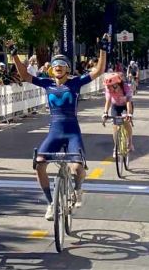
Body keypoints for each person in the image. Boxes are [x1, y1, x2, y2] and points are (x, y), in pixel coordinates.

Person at [6, 33, 110, 221]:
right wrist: (14, 54)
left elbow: (99, 70)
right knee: (38, 164)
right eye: (55, 66)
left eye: (62, 66)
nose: (58, 68)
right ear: (51, 70)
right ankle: (51, 203)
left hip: (72, 132)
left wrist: (103, 49)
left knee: (77, 168)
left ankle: (78, 189)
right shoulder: (46, 84)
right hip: (54, 132)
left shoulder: (76, 83)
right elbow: (24, 75)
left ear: (68, 69)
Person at [102, 72, 134, 156]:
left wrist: (129, 114)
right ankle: (115, 147)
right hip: (115, 106)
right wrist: (105, 113)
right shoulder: (108, 90)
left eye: (109, 86)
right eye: (107, 86)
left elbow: (128, 102)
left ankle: (130, 143)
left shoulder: (126, 88)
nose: (108, 88)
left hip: (126, 106)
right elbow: (108, 102)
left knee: (126, 121)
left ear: (116, 84)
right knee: (115, 126)